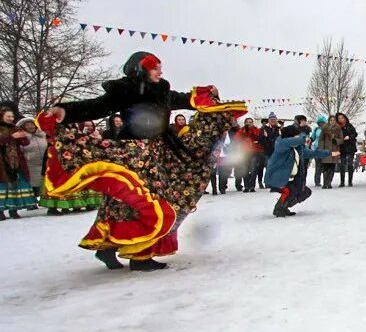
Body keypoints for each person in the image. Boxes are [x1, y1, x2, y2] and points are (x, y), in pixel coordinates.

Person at [40, 51, 246, 270]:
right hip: (134, 151)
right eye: (155, 67)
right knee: (143, 199)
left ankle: (108, 248)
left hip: (159, 150)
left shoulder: (162, 89)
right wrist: (66, 111)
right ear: (141, 68)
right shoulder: (125, 89)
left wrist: (206, 94)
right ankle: (139, 257)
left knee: (127, 201)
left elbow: (184, 100)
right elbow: (97, 106)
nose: (160, 71)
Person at [267, 124, 339, 216]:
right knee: (290, 190)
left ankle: (284, 207)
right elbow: (299, 140)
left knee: (305, 192)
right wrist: (304, 134)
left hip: (290, 178)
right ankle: (279, 209)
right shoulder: (281, 144)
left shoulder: (298, 148)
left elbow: (313, 153)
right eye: (296, 135)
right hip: (277, 177)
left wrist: (329, 153)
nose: (298, 137)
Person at [0, 105, 35, 220]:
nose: (10, 118)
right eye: (8, 116)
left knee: (16, 186)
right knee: (3, 187)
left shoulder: (15, 127)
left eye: (12, 116)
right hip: (3, 161)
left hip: (16, 161)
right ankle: (0, 212)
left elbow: (25, 143)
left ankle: (13, 209)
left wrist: (22, 136)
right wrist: (12, 137)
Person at [16, 117, 47, 204]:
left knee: (44, 182)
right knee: (33, 184)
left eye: (32, 124)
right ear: (24, 126)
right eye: (27, 125)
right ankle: (32, 202)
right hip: (30, 164)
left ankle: (45, 199)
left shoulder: (42, 134)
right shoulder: (22, 138)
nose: (30, 126)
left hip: (44, 163)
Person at [236, 117, 262, 192]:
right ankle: (246, 186)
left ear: (253, 123)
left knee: (254, 169)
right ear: (245, 123)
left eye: (250, 122)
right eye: (248, 122)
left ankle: (252, 186)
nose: (249, 123)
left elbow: (259, 138)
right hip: (244, 152)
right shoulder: (241, 130)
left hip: (254, 152)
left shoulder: (256, 130)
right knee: (245, 169)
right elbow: (237, 139)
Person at [317, 115, 343, 188]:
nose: (332, 121)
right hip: (326, 150)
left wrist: (335, 140)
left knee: (332, 167)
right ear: (329, 121)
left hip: (335, 150)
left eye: (334, 120)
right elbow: (321, 139)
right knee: (325, 167)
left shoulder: (338, 129)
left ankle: (329, 183)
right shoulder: (324, 128)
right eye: (331, 120)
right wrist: (321, 149)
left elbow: (341, 139)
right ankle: (325, 183)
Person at [256, 112, 281, 189]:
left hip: (276, 151)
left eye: (274, 119)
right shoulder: (263, 129)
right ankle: (262, 181)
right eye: (271, 119)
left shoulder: (279, 129)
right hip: (265, 151)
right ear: (269, 120)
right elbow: (260, 140)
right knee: (264, 167)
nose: (273, 121)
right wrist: (265, 138)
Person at [336, 113, 358, 187]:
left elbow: (355, 134)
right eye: (339, 118)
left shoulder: (349, 125)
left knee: (350, 164)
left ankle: (350, 181)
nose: (341, 119)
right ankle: (342, 182)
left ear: (345, 118)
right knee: (342, 164)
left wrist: (349, 137)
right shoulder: (337, 127)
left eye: (342, 118)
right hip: (342, 147)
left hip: (350, 147)